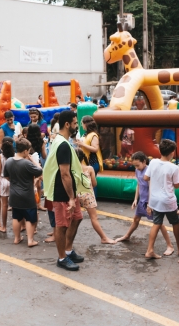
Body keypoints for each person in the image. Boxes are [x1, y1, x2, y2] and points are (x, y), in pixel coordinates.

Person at [42, 110, 90, 271]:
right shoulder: (62, 144)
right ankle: (62, 258)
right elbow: (64, 173)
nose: (77, 126)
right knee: (61, 226)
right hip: (62, 192)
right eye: (75, 123)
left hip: (70, 191)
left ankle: (68, 250)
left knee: (77, 218)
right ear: (67, 124)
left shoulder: (62, 141)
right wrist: (70, 197)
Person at [115, 152, 176, 256]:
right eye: (134, 165)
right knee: (136, 219)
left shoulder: (149, 171)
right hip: (142, 200)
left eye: (138, 165)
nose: (136, 167)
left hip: (150, 201)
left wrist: (150, 204)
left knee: (159, 223)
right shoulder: (137, 170)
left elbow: (152, 188)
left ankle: (170, 245)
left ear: (144, 162)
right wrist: (135, 199)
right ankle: (127, 235)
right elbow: (139, 184)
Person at [144, 139, 179, 259]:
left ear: (159, 150)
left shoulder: (153, 162)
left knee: (156, 223)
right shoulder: (173, 167)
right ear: (172, 152)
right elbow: (177, 185)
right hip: (168, 200)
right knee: (175, 222)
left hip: (155, 199)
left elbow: (146, 177)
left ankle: (149, 250)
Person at [4, 138, 43, 247]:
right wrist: (33, 160)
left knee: (16, 217)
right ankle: (30, 240)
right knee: (30, 217)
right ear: (25, 151)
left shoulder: (9, 161)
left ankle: (17, 238)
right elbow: (39, 170)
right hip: (27, 194)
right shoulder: (26, 163)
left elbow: (6, 176)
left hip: (14, 194)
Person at [76, 149, 115, 244]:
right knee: (94, 218)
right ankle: (104, 238)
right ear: (82, 158)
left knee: (72, 219)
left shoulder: (71, 170)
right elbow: (94, 183)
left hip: (75, 195)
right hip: (88, 195)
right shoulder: (89, 169)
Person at [0, 137, 15, 233]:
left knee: (4, 205)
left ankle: (4, 226)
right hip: (13, 180)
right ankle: (21, 225)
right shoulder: (14, 156)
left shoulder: (0, 157)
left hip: (3, 180)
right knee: (16, 205)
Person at [27, 124, 48, 211]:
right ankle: (38, 204)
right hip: (37, 163)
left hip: (27, 163)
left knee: (31, 185)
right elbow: (44, 156)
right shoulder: (41, 141)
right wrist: (44, 146)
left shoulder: (26, 141)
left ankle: (32, 204)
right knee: (38, 185)